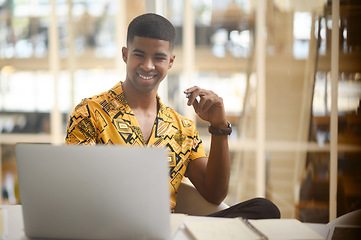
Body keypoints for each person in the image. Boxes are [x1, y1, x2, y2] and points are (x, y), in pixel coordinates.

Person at [65, 13, 280, 219]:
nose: (148, 65)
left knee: (264, 209)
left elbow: (214, 193)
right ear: (125, 54)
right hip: (106, 225)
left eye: (158, 57)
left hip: (166, 230)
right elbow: (75, 187)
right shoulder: (90, 112)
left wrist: (219, 126)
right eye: (139, 54)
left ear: (170, 61)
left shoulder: (182, 129)